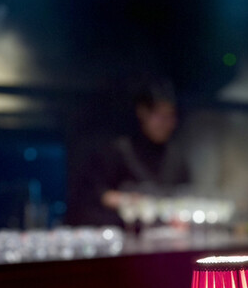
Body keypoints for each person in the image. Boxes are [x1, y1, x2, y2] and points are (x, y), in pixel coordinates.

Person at [67, 81, 189, 227]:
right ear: (142, 112)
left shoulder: (175, 157)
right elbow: (93, 194)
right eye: (160, 116)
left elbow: (185, 198)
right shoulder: (118, 151)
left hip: (163, 234)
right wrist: (126, 200)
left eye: (170, 117)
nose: (166, 124)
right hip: (121, 232)